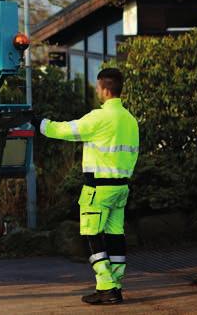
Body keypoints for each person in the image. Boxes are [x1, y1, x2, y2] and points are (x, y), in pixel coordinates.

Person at [36, 68, 139, 305]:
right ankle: (117, 284)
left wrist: (40, 124)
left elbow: (66, 130)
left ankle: (106, 287)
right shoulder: (130, 121)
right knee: (115, 236)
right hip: (121, 189)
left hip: (98, 190)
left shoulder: (99, 117)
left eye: (97, 87)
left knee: (92, 235)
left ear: (104, 89)